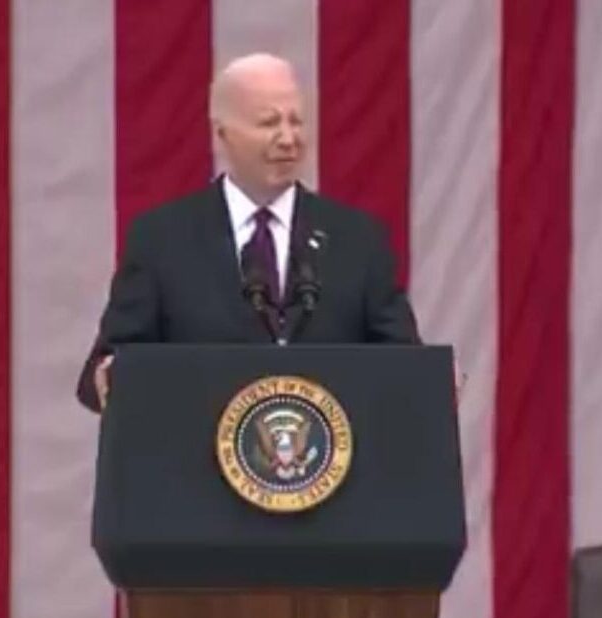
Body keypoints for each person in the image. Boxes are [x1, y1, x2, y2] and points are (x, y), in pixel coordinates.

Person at [76, 52, 420, 413]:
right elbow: (110, 364)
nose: (288, 138)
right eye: (269, 122)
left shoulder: (358, 239)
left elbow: (403, 360)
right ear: (222, 133)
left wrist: (429, 378)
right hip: (198, 463)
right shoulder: (162, 240)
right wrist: (111, 376)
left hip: (331, 462)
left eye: (297, 122)